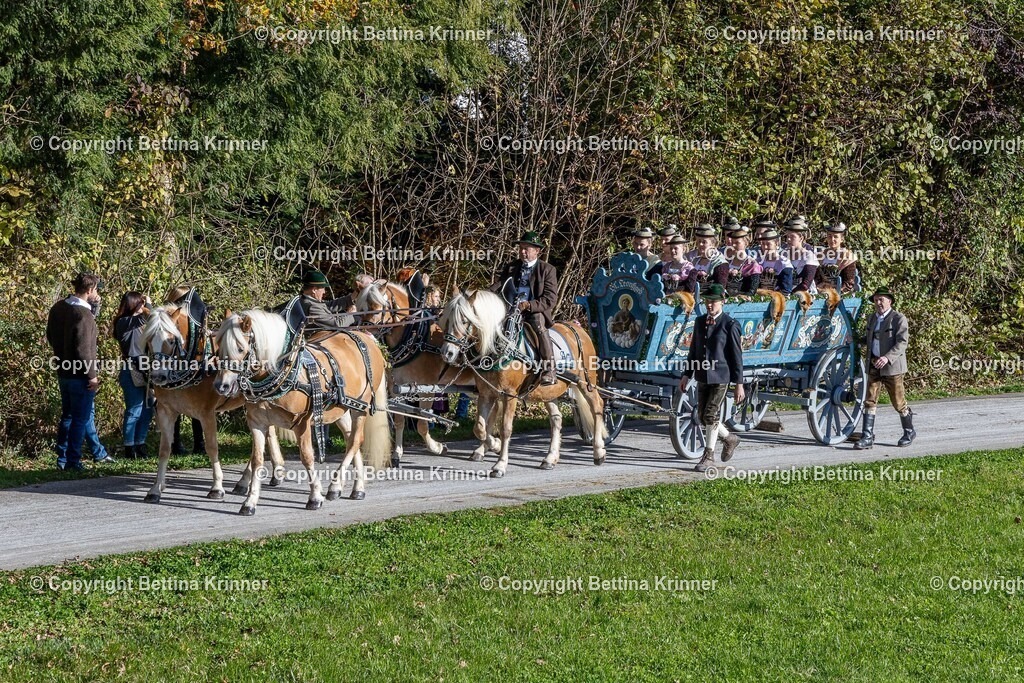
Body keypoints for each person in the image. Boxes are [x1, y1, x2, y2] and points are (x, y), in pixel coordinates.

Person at [46, 273, 115, 470]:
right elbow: (84, 350)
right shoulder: (83, 315)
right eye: (96, 290)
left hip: (63, 370)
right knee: (80, 418)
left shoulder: (59, 307)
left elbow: (50, 336)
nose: (98, 293)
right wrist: (92, 376)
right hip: (80, 375)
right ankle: (73, 461)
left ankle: (62, 459)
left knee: (67, 416)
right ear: (90, 290)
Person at [680, 284, 744, 472]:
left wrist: (739, 384)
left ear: (722, 302)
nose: (709, 305)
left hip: (721, 376)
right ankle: (730, 438)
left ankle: (708, 456)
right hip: (702, 374)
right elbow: (693, 351)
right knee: (701, 416)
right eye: (707, 301)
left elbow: (737, 357)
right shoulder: (700, 322)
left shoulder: (730, 325)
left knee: (710, 414)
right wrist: (686, 375)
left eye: (713, 301)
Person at [491, 231, 559, 385]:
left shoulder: (547, 270)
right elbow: (498, 286)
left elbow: (550, 299)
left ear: (537, 251)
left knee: (538, 324)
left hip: (533, 311)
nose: (522, 251)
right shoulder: (511, 267)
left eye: (526, 248)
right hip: (510, 309)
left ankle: (549, 368)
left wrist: (529, 305)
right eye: (521, 248)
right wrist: (483, 295)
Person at [855, 288, 916, 449]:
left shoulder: (898, 319)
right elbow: (869, 339)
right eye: (876, 300)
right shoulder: (872, 319)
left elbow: (902, 342)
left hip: (892, 367)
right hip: (874, 365)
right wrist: (855, 340)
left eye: (881, 299)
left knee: (898, 402)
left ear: (890, 301)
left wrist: (887, 357)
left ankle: (909, 431)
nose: (878, 303)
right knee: (869, 400)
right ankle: (867, 437)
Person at [113, 291, 154, 458]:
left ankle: (140, 443)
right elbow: (147, 317)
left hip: (145, 369)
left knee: (148, 410)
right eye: (140, 303)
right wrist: (149, 304)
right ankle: (129, 447)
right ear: (134, 304)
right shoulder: (123, 322)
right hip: (131, 370)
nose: (143, 306)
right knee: (134, 409)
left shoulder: (137, 323)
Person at [816, 222, 859, 292]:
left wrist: (837, 292)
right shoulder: (820, 255)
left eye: (835, 236)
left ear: (842, 239)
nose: (832, 239)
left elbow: (848, 282)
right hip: (821, 291)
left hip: (840, 292)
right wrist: (817, 289)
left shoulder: (848, 257)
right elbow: (816, 278)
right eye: (829, 236)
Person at [687, 224, 730, 291]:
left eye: (704, 242)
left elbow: (720, 287)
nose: (700, 244)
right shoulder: (694, 261)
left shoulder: (720, 263)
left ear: (712, 244)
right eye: (699, 241)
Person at [723, 226, 762, 298]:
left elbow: (752, 291)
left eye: (737, 243)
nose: (733, 245)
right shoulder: (727, 262)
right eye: (732, 243)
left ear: (745, 243)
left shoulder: (752, 265)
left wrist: (737, 295)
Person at [783, 220, 819, 293]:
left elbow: (806, 284)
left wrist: (790, 293)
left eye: (792, 237)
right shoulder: (784, 255)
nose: (788, 239)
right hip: (787, 293)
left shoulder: (809, 256)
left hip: (806, 295)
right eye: (787, 236)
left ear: (801, 238)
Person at [756, 228, 795, 293]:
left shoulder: (784, 263)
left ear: (776, 243)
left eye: (768, 244)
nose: (765, 247)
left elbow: (786, 290)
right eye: (763, 244)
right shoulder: (758, 261)